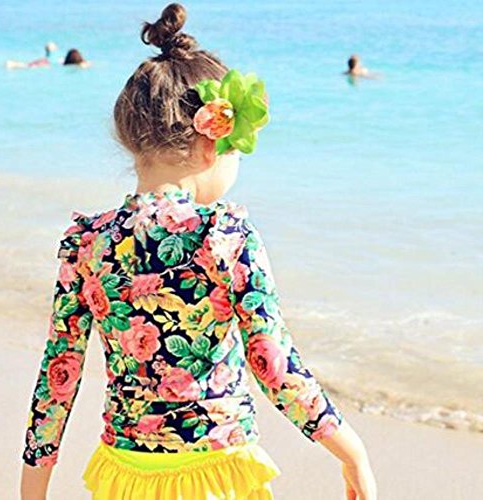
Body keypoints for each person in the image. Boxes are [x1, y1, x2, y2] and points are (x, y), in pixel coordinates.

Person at [20, 3, 377, 499]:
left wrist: (32, 491)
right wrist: (351, 451)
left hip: (124, 476)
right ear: (213, 145)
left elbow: (58, 376)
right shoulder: (225, 235)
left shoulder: (87, 242)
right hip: (217, 473)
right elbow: (271, 362)